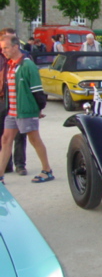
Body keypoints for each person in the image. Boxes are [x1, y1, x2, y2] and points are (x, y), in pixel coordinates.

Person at [0, 35, 52, 185]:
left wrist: (38, 109)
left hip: (25, 111)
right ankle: (0, 175)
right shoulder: (10, 65)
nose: (3, 51)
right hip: (13, 112)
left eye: (6, 48)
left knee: (34, 139)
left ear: (16, 47)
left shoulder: (28, 66)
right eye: (2, 48)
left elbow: (38, 91)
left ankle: (47, 170)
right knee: (5, 140)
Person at [0, 28, 29, 176]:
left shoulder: (24, 58)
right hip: (2, 99)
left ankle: (20, 164)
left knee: (20, 134)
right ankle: (6, 164)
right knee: (3, 135)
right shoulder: (1, 56)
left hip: (18, 100)